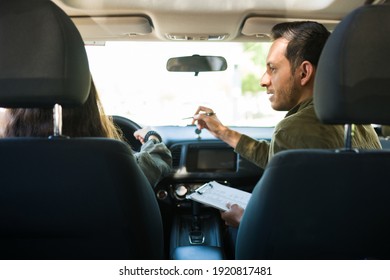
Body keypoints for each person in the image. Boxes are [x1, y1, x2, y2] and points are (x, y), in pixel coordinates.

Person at [192, 21, 382, 229]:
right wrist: (222, 132)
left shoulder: (292, 128)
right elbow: (279, 158)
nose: (263, 80)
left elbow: (287, 225)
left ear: (304, 73)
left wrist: (243, 220)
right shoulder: (356, 120)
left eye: (272, 69)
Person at [0, 79, 172, 188]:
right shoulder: (116, 164)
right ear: (90, 111)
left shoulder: (8, 165)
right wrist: (152, 137)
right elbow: (156, 161)